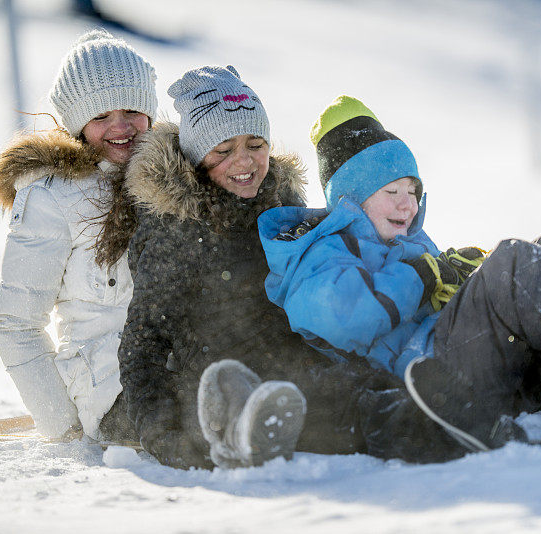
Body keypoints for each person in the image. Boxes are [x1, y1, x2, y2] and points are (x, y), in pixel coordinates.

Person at [258, 95, 541, 451]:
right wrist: (425, 276)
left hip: (470, 357)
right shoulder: (318, 253)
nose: (408, 206)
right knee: (510, 264)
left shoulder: (408, 239)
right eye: (392, 193)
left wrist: (459, 275)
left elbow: (436, 294)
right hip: (431, 376)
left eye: (413, 192)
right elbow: (343, 318)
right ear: (352, 199)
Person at [118, 66, 469, 470]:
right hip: (219, 372)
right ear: (197, 158)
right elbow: (142, 341)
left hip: (300, 357)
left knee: (364, 388)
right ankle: (433, 434)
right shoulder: (174, 228)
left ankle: (447, 411)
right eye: (223, 150)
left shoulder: (282, 203)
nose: (245, 161)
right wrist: (163, 434)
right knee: (334, 411)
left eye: (255, 143)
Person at [0, 29, 158, 442]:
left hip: (178, 363)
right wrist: (63, 426)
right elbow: (14, 322)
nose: (121, 127)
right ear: (77, 124)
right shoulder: (53, 196)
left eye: (132, 109)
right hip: (110, 387)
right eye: (100, 116)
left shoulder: (172, 180)